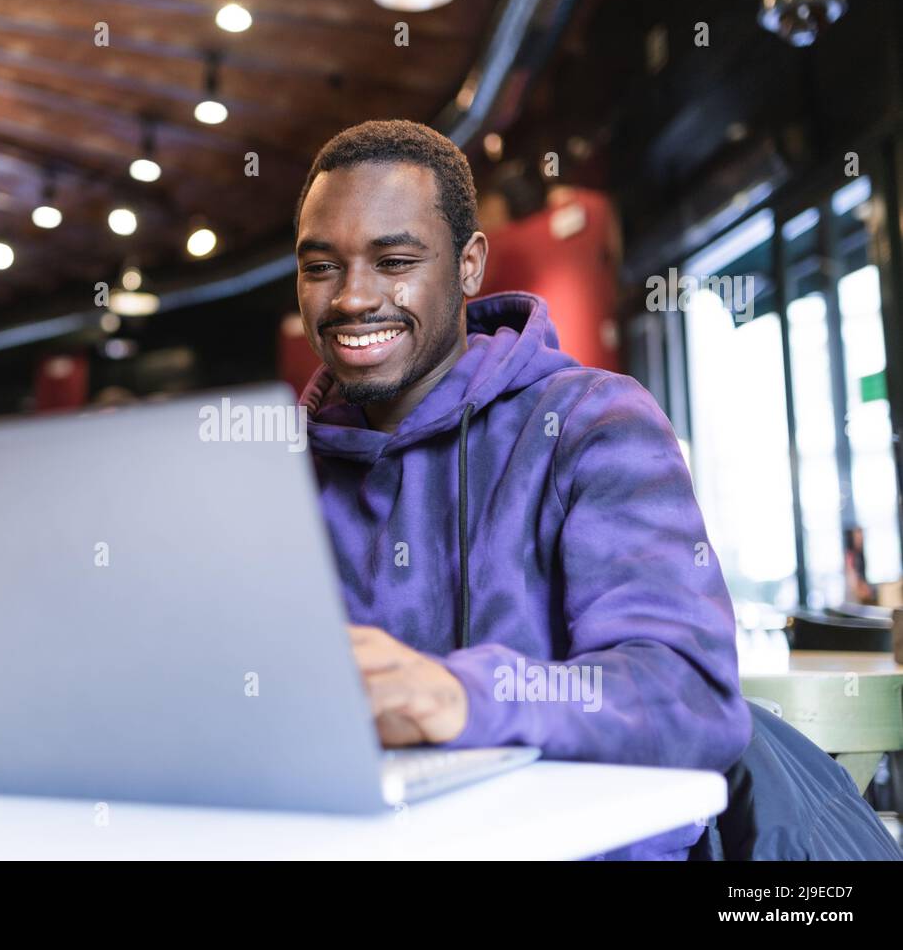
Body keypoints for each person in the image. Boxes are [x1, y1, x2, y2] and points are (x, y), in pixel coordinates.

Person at [294, 120, 751, 859]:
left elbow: (689, 699)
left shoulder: (594, 421)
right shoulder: (282, 471)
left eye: (395, 260)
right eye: (321, 268)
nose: (352, 298)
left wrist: (460, 697)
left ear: (470, 265)